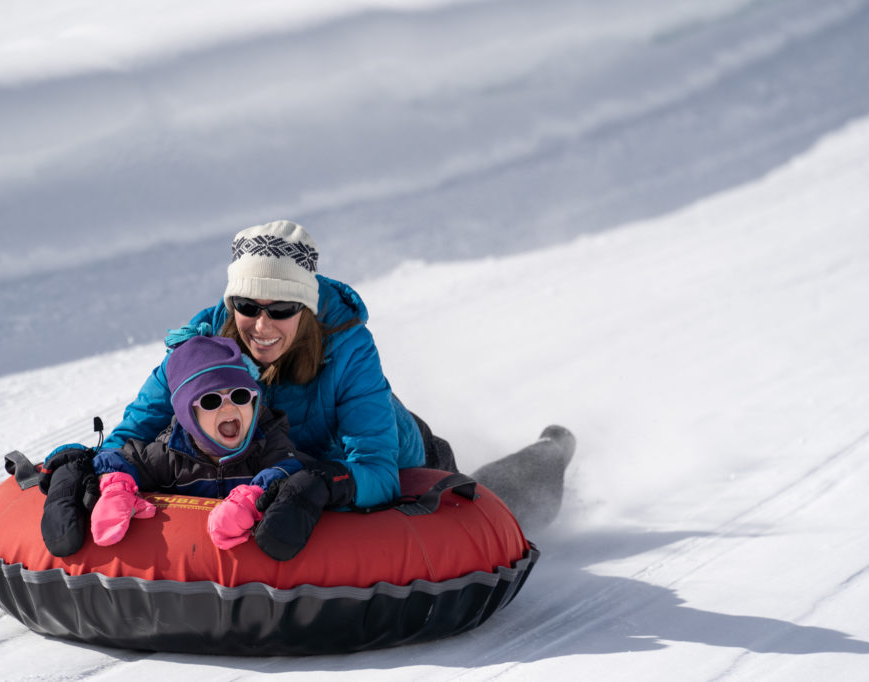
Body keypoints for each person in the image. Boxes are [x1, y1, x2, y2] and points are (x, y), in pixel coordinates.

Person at [103, 220, 574, 554]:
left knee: (494, 502)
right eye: (247, 305)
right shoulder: (202, 342)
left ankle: (551, 453)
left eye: (282, 309)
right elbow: (137, 428)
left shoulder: (348, 346)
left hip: (404, 459)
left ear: (305, 309)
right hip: (280, 469)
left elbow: (378, 469)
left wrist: (325, 481)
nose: (262, 324)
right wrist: (103, 472)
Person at [89, 334, 314, 555]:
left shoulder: (266, 441)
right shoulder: (172, 454)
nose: (229, 408)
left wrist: (252, 498)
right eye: (211, 400)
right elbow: (123, 458)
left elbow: (290, 468)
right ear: (188, 417)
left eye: (240, 396)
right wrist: (117, 488)